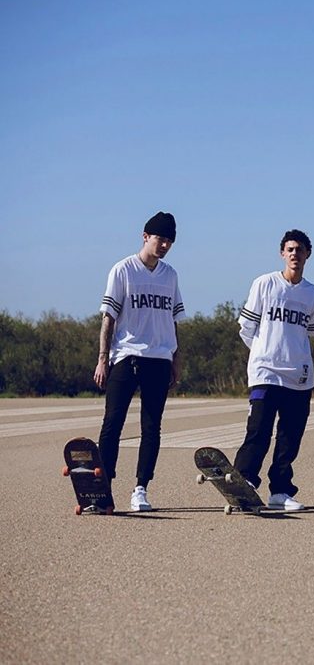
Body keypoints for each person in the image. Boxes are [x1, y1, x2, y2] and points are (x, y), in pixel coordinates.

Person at [94, 211, 184, 511]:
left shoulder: (170, 275)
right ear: (145, 237)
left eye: (169, 241)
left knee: (152, 427)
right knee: (112, 424)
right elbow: (108, 318)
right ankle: (103, 487)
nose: (164, 245)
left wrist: (176, 358)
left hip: (159, 358)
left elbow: (174, 320)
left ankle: (141, 488)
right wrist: (103, 359)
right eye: (160, 239)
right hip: (126, 356)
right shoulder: (123, 270)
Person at [234, 229, 314, 511]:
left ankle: (280, 491)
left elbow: (308, 332)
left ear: (308, 254)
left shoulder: (312, 293)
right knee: (258, 431)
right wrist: (264, 352)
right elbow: (246, 328)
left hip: (298, 376)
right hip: (265, 373)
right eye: (290, 249)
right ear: (282, 253)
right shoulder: (265, 284)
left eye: (300, 250)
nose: (295, 254)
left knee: (289, 438)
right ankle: (244, 482)